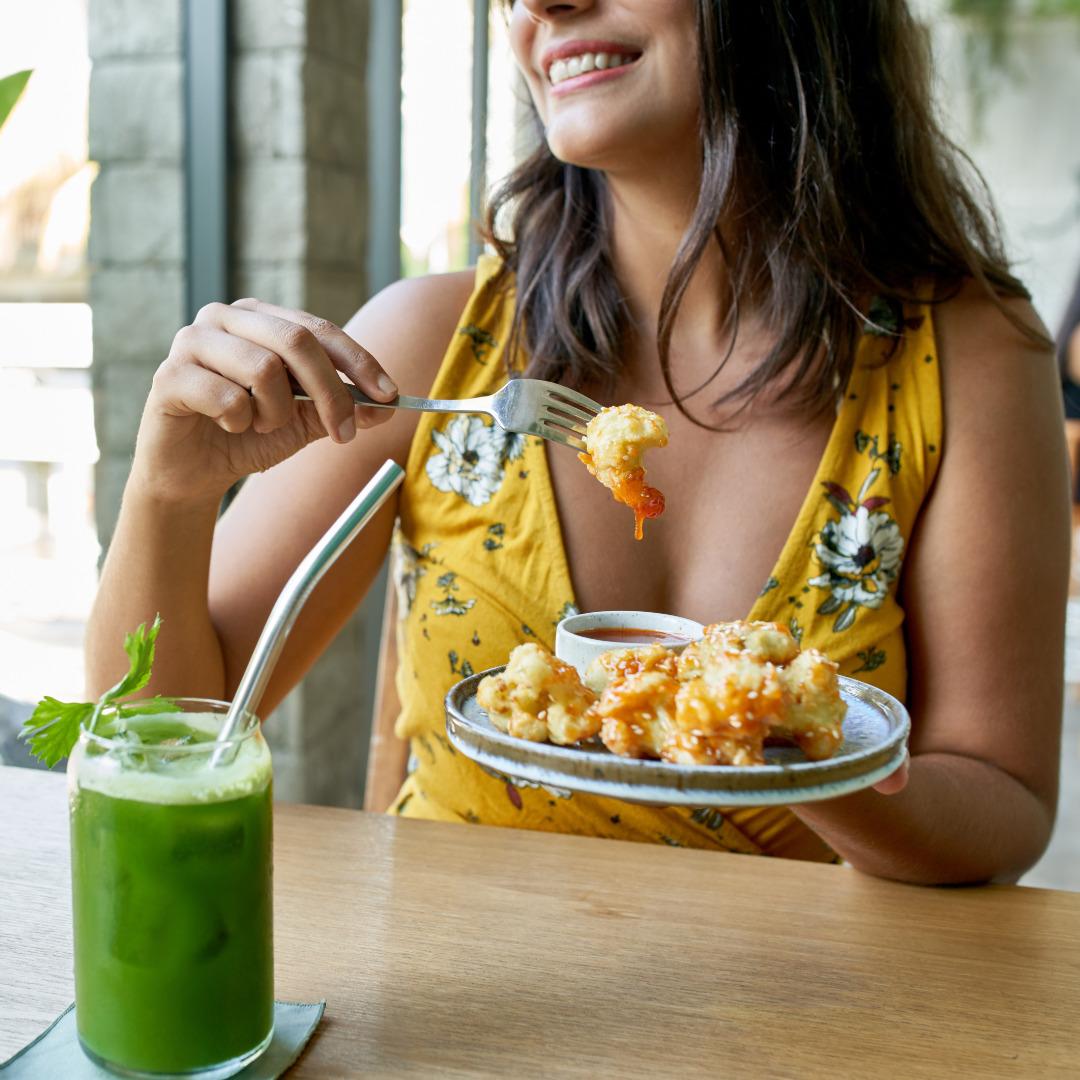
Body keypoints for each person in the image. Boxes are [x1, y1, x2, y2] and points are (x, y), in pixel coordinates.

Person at [87, 0, 1069, 885]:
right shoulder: (432, 349)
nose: (541, 7)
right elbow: (163, 727)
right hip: (457, 999)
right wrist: (166, 497)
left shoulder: (969, 354)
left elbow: (1001, 797)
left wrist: (772, 737)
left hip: (789, 1013)